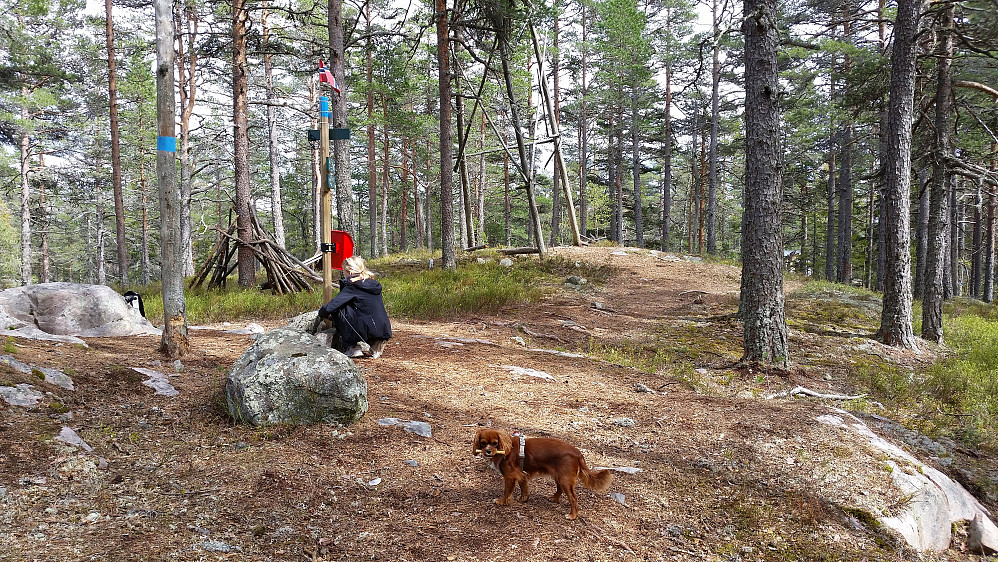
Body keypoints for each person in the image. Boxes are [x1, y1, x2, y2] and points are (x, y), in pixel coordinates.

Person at [317, 256, 391, 358]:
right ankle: (375, 345)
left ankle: (353, 347)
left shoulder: (352, 286)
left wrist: (322, 313)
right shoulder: (373, 284)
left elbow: (333, 305)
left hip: (364, 329)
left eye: (344, 272)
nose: (344, 275)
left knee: (339, 310)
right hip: (383, 328)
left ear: (350, 272)